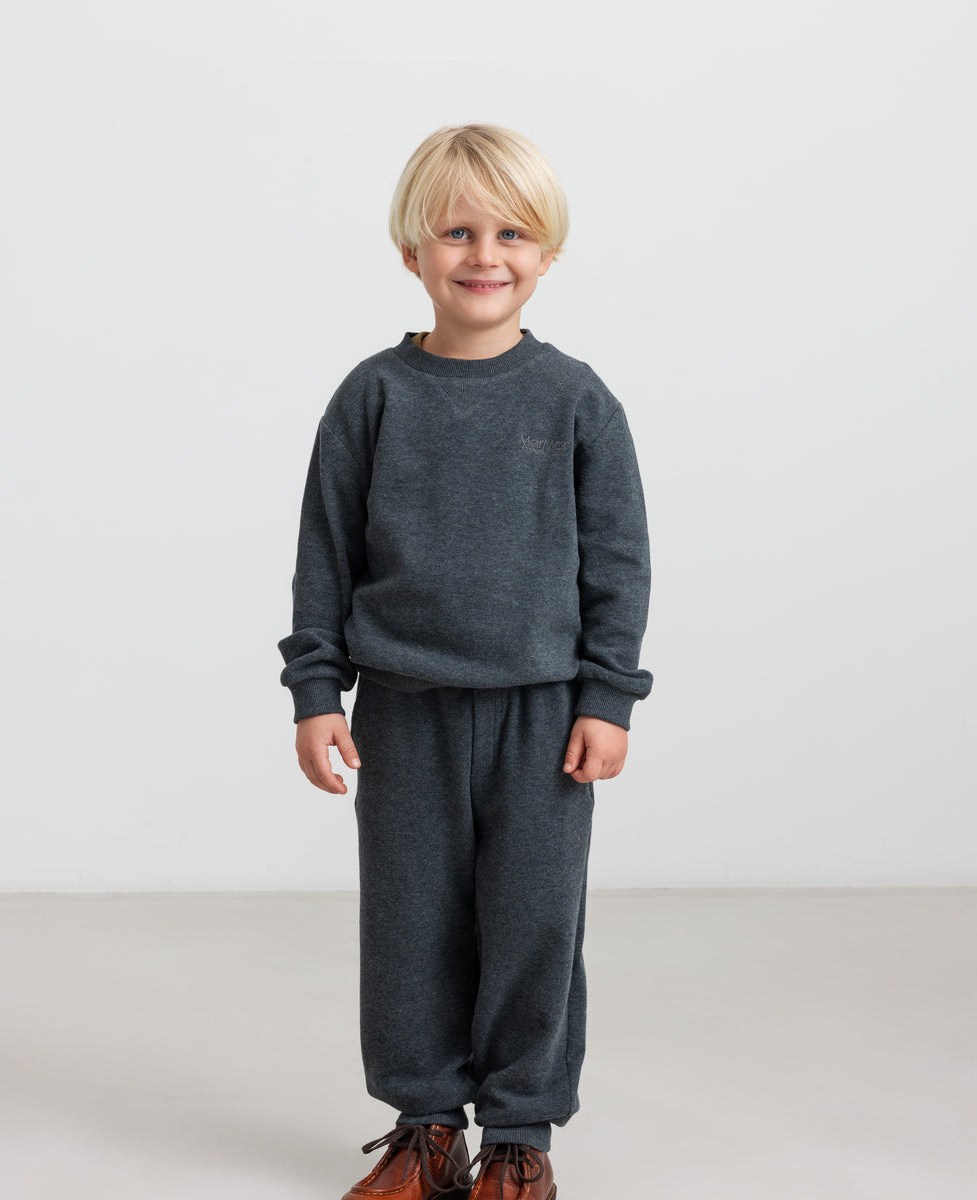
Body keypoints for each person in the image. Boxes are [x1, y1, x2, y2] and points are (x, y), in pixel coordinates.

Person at [278, 123, 652, 1200]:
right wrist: (316, 690)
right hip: (404, 712)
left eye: (511, 234)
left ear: (547, 253)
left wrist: (608, 696)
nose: (485, 255)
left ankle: (520, 1136)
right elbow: (325, 554)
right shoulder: (372, 396)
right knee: (409, 926)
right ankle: (426, 1127)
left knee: (534, 926)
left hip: (544, 719)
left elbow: (618, 562)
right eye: (457, 232)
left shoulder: (577, 399)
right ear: (412, 251)